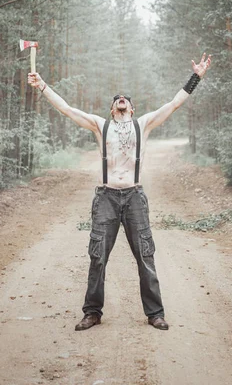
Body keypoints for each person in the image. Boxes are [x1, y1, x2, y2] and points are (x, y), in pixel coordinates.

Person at [28, 53, 211, 331]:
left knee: (145, 256)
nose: (121, 98)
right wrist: (41, 85)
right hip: (106, 198)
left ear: (132, 109)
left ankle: (155, 313)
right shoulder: (100, 126)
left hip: (135, 197)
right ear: (113, 109)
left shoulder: (144, 124)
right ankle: (92, 312)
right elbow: (66, 108)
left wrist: (195, 77)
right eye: (117, 98)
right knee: (97, 256)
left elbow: (174, 104)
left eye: (125, 98)